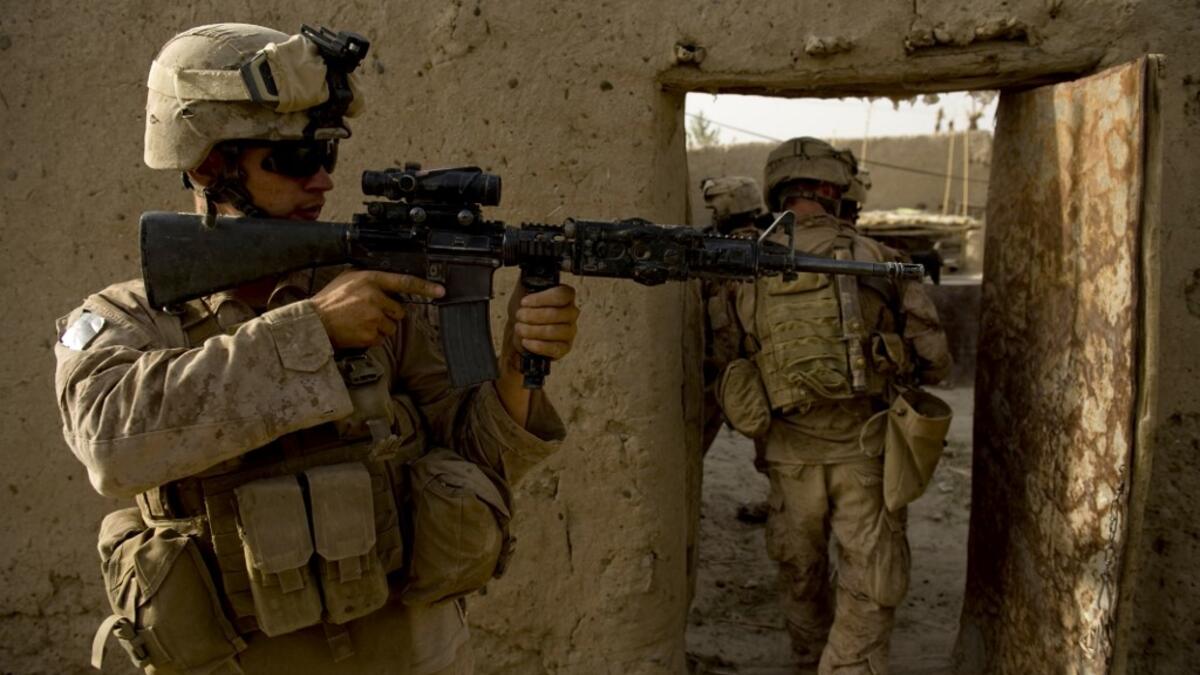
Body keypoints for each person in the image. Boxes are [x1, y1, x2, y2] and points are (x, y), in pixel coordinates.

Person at [54, 23, 579, 675]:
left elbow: (474, 454)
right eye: (295, 160)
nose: (322, 183)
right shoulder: (124, 320)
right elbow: (112, 446)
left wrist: (515, 369)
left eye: (326, 156)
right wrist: (311, 333)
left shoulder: (381, 296)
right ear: (206, 164)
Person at [717, 137, 951, 673]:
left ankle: (806, 660)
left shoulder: (744, 267)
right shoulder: (879, 260)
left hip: (786, 454)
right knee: (870, 579)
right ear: (832, 189)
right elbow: (935, 361)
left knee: (799, 570)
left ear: (778, 192)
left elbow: (726, 364)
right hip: (864, 450)